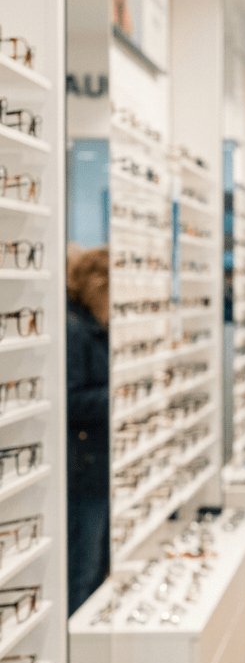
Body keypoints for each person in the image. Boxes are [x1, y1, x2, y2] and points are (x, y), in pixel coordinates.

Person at [66, 246, 111, 616]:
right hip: (85, 468)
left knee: (97, 567)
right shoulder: (77, 332)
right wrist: (120, 394)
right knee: (83, 569)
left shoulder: (97, 328)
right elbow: (69, 401)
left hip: (100, 465)